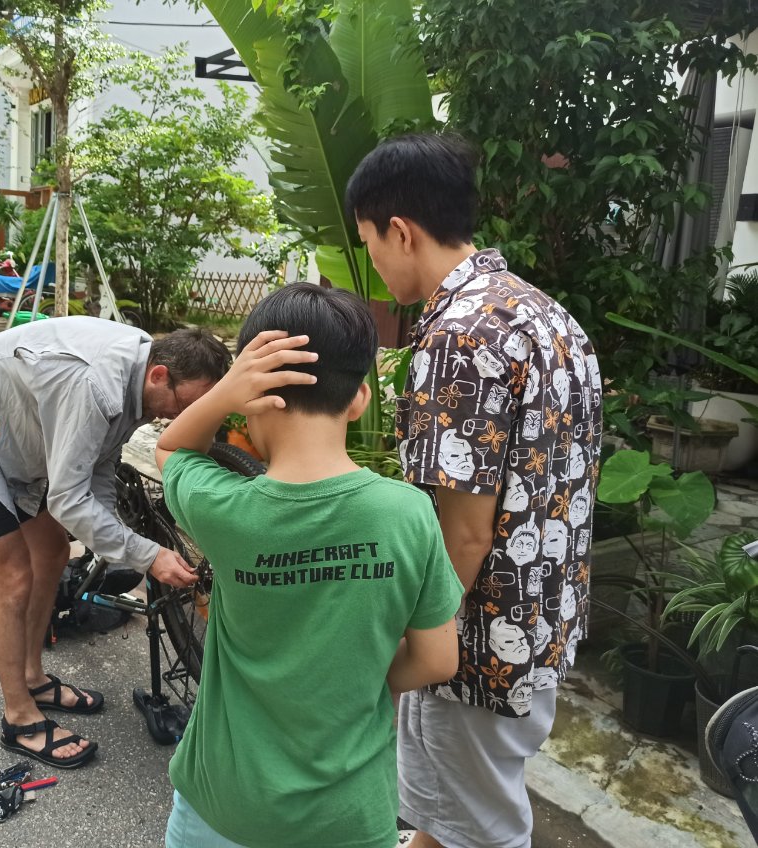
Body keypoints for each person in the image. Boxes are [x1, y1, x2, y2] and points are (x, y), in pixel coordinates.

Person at [346, 132, 604, 848]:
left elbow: (462, 532)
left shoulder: (459, 337)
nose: (372, 262)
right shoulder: (547, 316)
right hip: (542, 619)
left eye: (369, 243)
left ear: (400, 231)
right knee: (449, 808)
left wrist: (409, 636)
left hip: (476, 645)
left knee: (485, 828)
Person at [154, 283, 465, 848]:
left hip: (223, 804)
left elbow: (172, 450)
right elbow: (439, 659)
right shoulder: (407, 513)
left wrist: (224, 394)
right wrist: (360, 677)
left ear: (255, 394)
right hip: (345, 817)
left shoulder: (226, 507)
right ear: (359, 399)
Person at [0, 319, 231, 768]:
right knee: (13, 578)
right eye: (185, 405)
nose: (180, 417)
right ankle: (19, 716)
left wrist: (124, 541)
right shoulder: (98, 386)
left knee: (51, 552)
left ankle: (32, 675)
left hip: (20, 439)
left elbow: (99, 468)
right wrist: (146, 554)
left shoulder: (142, 375)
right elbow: (69, 500)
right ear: (160, 376)